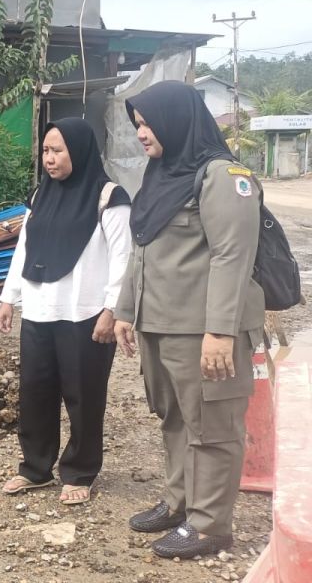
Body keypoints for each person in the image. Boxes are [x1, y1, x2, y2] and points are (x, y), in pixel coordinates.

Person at [112, 80, 265, 560]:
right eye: (136, 124)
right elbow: (142, 248)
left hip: (204, 330)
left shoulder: (222, 176)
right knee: (176, 419)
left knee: (212, 426)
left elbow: (231, 256)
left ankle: (210, 524)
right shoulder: (162, 176)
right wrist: (123, 310)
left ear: (179, 120)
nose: (141, 133)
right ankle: (179, 502)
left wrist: (219, 331)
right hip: (160, 326)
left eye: (148, 122)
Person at [0, 117, 131, 505]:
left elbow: (124, 258)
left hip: (86, 313)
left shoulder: (109, 197)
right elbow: (25, 249)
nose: (49, 160)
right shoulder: (41, 196)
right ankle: (35, 468)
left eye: (58, 151)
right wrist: (9, 298)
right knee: (35, 392)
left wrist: (112, 309)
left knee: (84, 395)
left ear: (80, 150)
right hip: (39, 310)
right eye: (45, 151)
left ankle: (80, 471)